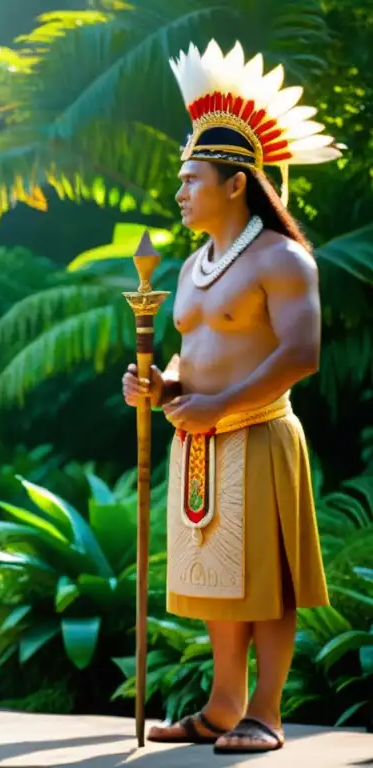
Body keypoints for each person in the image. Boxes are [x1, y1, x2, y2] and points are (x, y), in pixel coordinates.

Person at [122, 40, 341, 754]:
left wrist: (223, 407)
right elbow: (193, 355)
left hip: (259, 433)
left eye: (192, 179)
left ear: (236, 183)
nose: (180, 192)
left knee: (266, 584)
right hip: (199, 438)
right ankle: (222, 706)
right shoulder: (190, 267)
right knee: (215, 579)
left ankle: (266, 712)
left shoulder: (283, 258)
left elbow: (300, 355)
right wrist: (163, 385)